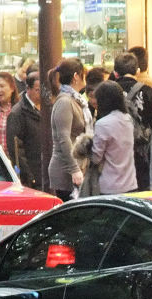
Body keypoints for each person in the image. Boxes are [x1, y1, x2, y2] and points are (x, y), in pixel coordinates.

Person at [112, 51, 152, 191]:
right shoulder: (148, 92)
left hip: (115, 151)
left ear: (115, 73)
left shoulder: (108, 91)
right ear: (137, 71)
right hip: (142, 151)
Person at [48, 58, 91, 201]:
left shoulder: (76, 100)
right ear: (76, 76)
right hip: (65, 170)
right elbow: (63, 138)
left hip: (76, 166)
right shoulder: (65, 101)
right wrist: (74, 169)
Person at [89, 80, 137, 194]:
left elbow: (96, 158)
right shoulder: (128, 119)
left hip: (110, 185)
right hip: (130, 183)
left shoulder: (102, 124)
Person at [7, 70, 44, 190]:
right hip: (32, 174)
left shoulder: (48, 107)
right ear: (28, 88)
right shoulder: (18, 113)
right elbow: (16, 148)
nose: (42, 93)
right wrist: (28, 175)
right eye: (38, 90)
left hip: (45, 170)